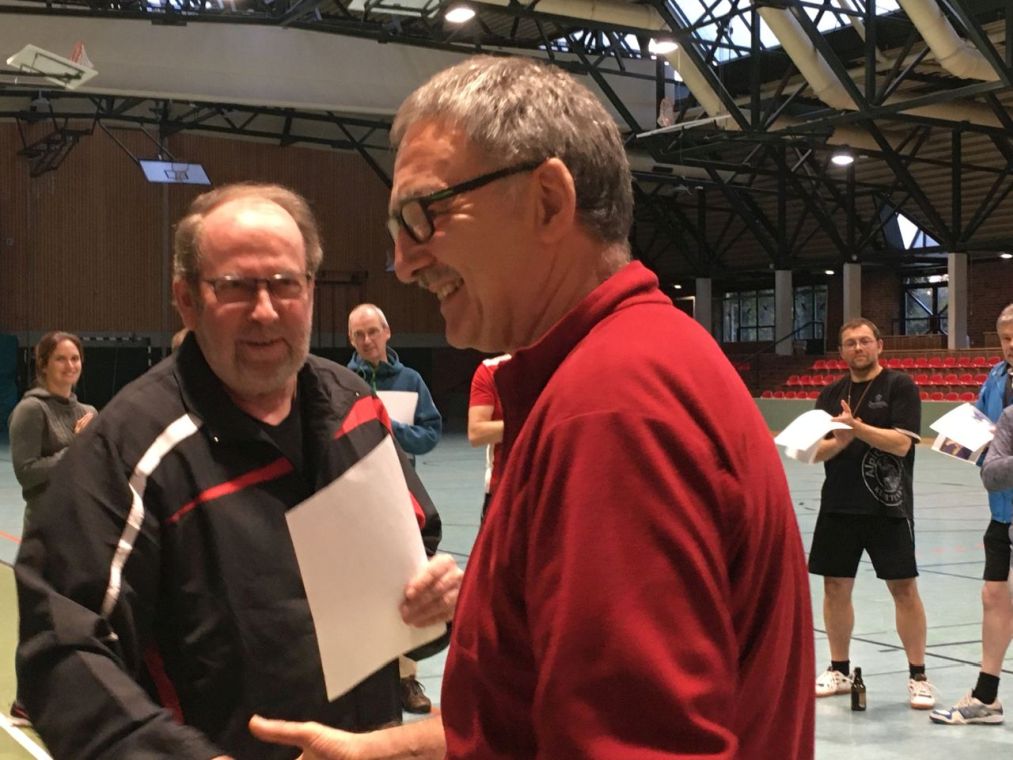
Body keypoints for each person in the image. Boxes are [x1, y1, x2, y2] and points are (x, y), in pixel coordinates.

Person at [252, 54, 814, 760]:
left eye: (423, 215)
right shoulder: (627, 365)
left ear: (547, 200)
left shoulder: (610, 407)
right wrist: (384, 752)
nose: (403, 261)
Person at [14, 183, 461, 759]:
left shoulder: (355, 406)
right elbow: (64, 651)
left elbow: (418, 547)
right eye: (236, 286)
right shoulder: (128, 453)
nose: (266, 309)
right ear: (187, 300)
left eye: (285, 283)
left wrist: (436, 603)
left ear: (309, 290)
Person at [809, 318, 935, 709]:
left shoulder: (900, 386)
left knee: (904, 589)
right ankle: (839, 669)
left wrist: (857, 429)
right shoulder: (830, 394)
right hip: (838, 504)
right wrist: (840, 441)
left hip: (888, 506)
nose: (858, 348)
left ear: (880, 345)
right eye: (850, 343)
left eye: (865, 341)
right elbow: (814, 451)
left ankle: (918, 676)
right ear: (841, 351)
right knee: (834, 587)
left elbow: (901, 444)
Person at [347, 302, 443, 714]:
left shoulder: (411, 380)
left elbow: (430, 434)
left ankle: (406, 679)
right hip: (355, 502)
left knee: (405, 589)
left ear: (387, 333)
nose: (367, 340)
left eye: (373, 332)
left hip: (402, 501)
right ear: (351, 340)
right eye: (359, 335)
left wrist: (391, 426)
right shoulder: (342, 381)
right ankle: (364, 679)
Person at [7, 329, 96, 727]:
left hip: (82, 529)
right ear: (43, 364)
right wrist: (76, 447)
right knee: (41, 618)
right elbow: (27, 473)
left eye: (75, 358)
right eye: (61, 358)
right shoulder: (30, 410)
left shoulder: (87, 412)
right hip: (45, 531)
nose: (70, 365)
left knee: (80, 617)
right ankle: (26, 701)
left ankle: (69, 695)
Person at [931, 303, 1013, 725]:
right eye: (1006, 338)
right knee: (993, 596)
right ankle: (986, 696)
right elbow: (982, 426)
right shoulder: (996, 377)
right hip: (1002, 507)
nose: (1012, 345)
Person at [467, 353, 509, 521]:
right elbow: (476, 432)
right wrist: (534, 424)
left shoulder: (563, 363)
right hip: (501, 488)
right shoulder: (491, 370)